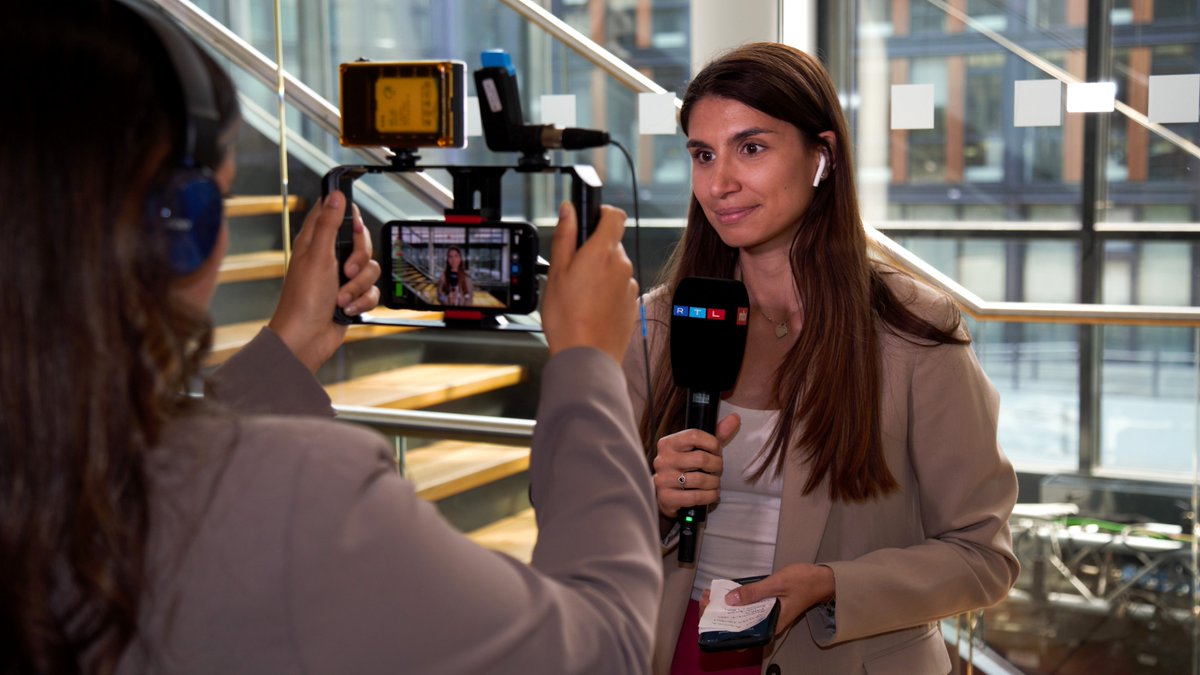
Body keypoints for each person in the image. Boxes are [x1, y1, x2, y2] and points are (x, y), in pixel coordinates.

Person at [3, 3, 659, 674]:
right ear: (179, 226)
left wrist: (287, 350)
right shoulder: (304, 495)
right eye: (221, 201)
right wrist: (587, 362)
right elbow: (603, 645)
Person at [622, 42, 1019, 674]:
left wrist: (834, 585)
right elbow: (574, 515)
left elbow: (983, 556)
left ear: (822, 157)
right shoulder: (658, 324)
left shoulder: (914, 332)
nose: (719, 183)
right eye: (703, 155)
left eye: (750, 148)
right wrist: (653, 499)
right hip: (674, 648)